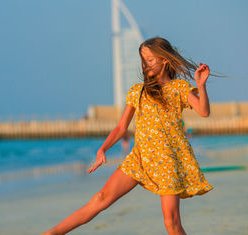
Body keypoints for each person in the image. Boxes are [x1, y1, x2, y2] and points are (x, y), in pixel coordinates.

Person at [42, 37, 214, 235]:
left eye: (150, 59)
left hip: (168, 162)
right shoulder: (138, 91)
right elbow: (121, 127)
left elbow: (203, 111)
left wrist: (201, 85)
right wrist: (103, 148)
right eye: (143, 60)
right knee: (100, 199)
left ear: (165, 60)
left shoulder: (179, 88)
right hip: (140, 158)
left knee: (171, 222)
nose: (145, 64)